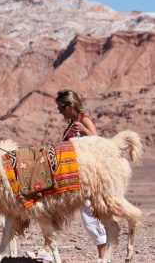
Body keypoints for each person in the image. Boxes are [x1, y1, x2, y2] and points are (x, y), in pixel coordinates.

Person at [30, 89, 106, 263]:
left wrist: (85, 129)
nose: (60, 112)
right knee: (54, 208)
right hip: (70, 174)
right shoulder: (71, 125)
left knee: (91, 214)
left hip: (86, 175)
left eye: (61, 108)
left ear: (71, 105)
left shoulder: (83, 120)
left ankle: (104, 256)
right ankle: (48, 249)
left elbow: (98, 141)